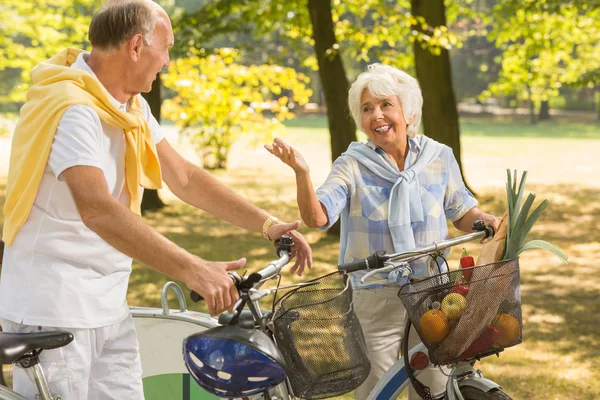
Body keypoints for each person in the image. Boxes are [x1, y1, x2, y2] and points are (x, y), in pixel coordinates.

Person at [0, 0, 312, 399]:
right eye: (164, 49)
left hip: (108, 302)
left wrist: (268, 225)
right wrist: (192, 269)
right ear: (135, 47)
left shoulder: (131, 107)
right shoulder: (72, 109)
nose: (166, 61)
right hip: (55, 306)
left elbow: (183, 177)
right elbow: (98, 210)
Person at [266, 63, 501, 400]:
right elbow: (318, 218)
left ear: (408, 111)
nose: (376, 115)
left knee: (435, 387)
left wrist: (483, 219)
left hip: (432, 294)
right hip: (375, 296)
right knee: (375, 392)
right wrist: (302, 173)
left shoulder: (439, 157)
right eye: (367, 109)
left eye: (385, 105)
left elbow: (462, 211)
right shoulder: (351, 165)